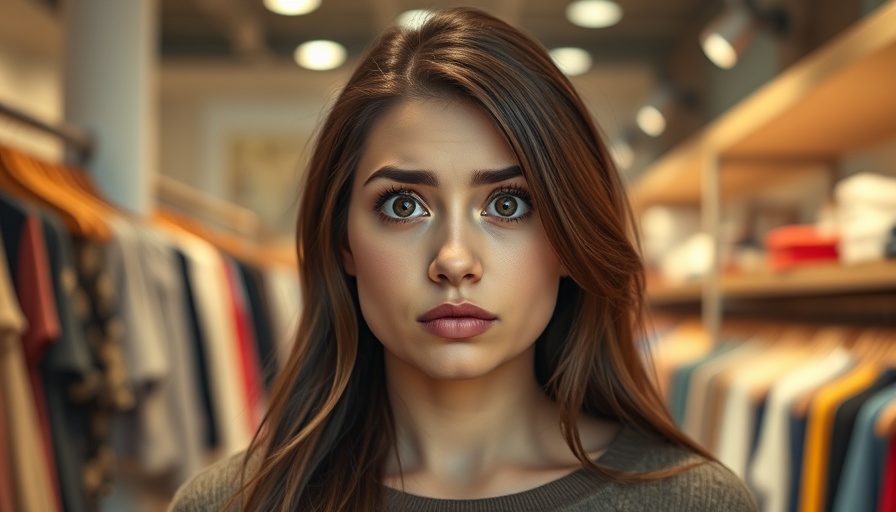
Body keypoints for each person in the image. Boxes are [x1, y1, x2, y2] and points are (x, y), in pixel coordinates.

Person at [169, 7, 756, 511]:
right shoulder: (229, 504)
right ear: (343, 242)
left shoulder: (695, 501)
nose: (454, 260)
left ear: (570, 242)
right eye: (403, 205)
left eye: (508, 203)